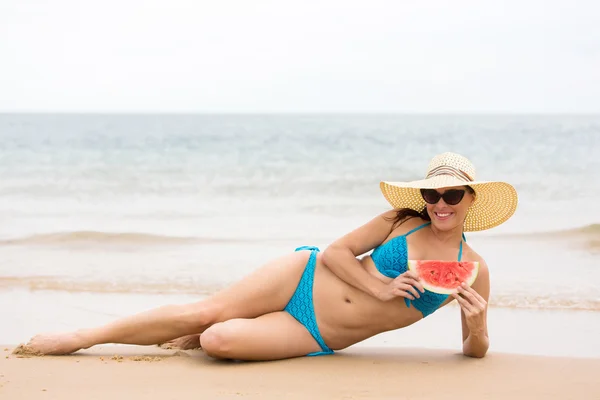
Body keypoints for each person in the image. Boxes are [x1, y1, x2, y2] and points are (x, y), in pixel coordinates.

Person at [25, 152, 518, 360]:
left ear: (471, 200)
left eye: (452, 196)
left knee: (217, 338)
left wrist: (476, 325)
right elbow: (336, 253)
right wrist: (381, 286)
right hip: (302, 277)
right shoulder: (400, 222)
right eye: (432, 194)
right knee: (205, 310)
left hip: (317, 333)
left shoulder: (476, 271)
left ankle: (202, 335)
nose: (440, 205)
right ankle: (80, 338)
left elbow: (474, 352)